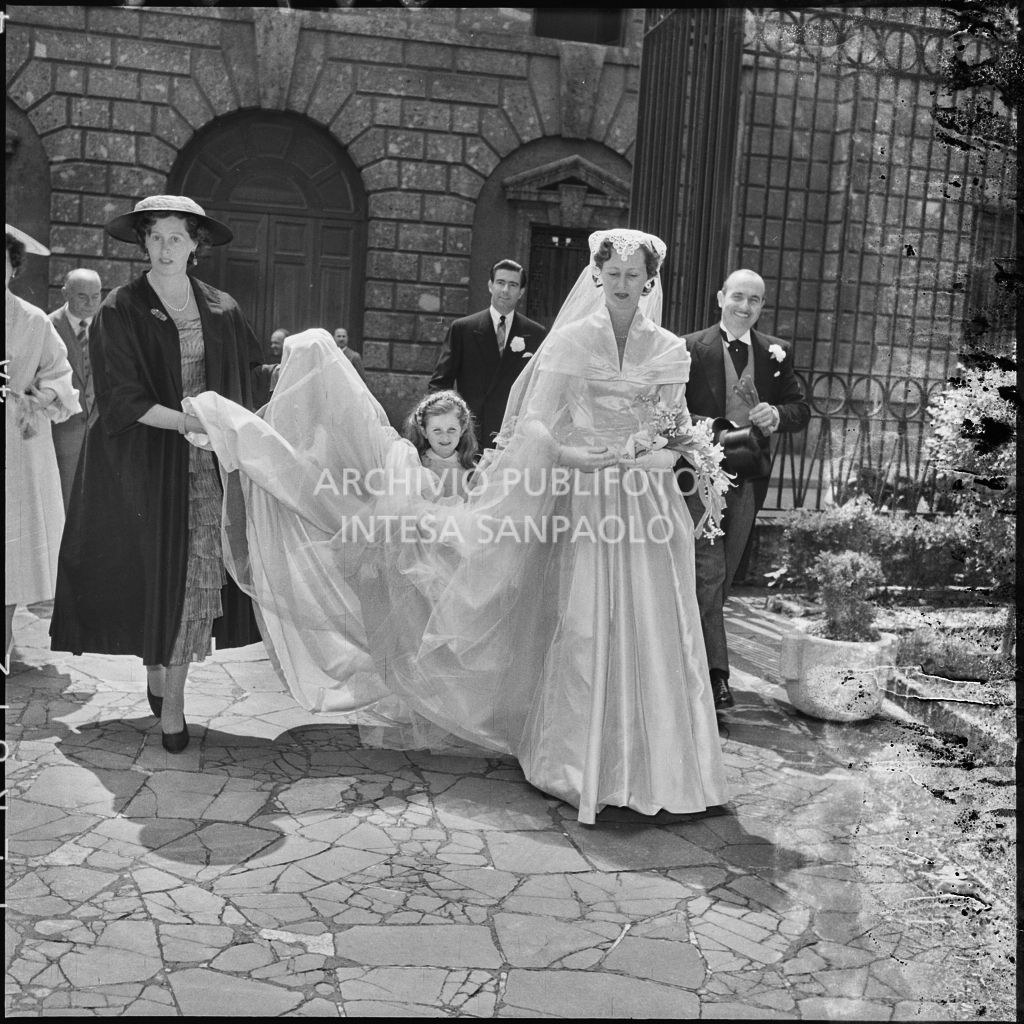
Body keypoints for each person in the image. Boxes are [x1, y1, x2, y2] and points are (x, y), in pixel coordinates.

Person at [184, 229, 731, 825]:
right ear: (599, 276)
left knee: (654, 621)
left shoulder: (669, 348)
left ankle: (667, 766)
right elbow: (536, 423)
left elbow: (677, 424)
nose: (623, 284)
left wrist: (663, 455)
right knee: (586, 620)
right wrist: (572, 454)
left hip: (645, 503)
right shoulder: (573, 340)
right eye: (614, 273)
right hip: (585, 495)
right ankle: (578, 762)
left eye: (634, 275)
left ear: (649, 280)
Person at [50, 195, 263, 753]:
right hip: (140, 459)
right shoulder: (120, 308)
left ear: (196, 244)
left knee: (196, 572)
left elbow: (248, 375)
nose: (166, 248)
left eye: (177, 237)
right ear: (143, 243)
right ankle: (155, 664)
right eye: (156, 237)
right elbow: (120, 397)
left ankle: (174, 707)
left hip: (204, 465)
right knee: (152, 574)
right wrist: (188, 420)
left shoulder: (221, 308)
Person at [679, 269, 811, 710]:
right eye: (738, 296)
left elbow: (800, 409)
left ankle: (690, 662)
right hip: (698, 479)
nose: (745, 306)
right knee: (709, 573)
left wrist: (776, 415)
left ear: (762, 306)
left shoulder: (776, 352)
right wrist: (710, 428)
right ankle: (717, 676)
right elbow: (670, 410)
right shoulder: (688, 347)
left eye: (754, 300)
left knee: (724, 576)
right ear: (721, 298)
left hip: (748, 479)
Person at [5, 226, 82, 661]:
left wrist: (42, 396)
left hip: (17, 437)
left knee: (11, 546)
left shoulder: (32, 320)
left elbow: (60, 375)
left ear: (13, 268)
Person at [429, 259, 546, 448]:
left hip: (513, 436)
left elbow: (541, 387)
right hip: (470, 434)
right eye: (500, 282)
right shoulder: (463, 329)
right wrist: (446, 426)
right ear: (490, 286)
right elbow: (440, 384)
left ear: (521, 292)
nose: (505, 290)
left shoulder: (536, 333)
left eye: (513, 285)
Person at [48, 268, 102, 509]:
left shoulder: (109, 326)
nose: (90, 303)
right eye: (82, 296)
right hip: (62, 433)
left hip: (100, 433)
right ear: (65, 294)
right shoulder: (47, 326)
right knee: (63, 501)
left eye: (96, 296)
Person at [401, 390, 479, 500]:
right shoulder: (416, 466)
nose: (445, 437)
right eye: (437, 430)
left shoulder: (471, 469)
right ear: (424, 431)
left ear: (462, 430)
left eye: (451, 429)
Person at [253, 327, 287, 407]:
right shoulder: (268, 360)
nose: (272, 346)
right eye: (272, 343)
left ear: (286, 344)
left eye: (276, 343)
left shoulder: (289, 363)